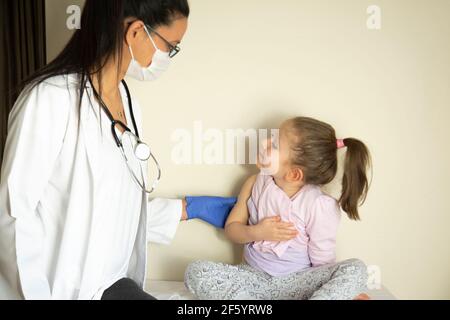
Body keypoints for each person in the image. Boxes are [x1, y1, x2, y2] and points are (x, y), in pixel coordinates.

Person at [0, 0, 235, 300]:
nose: (167, 56)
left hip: (113, 285)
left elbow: (114, 207)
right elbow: (14, 216)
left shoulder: (128, 103)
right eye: (170, 46)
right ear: (136, 31)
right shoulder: (50, 99)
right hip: (59, 291)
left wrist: (188, 209)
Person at [185, 117, 372, 300]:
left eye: (274, 144)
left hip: (297, 282)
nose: (265, 142)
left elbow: (323, 260)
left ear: (294, 174)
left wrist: (340, 291)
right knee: (195, 271)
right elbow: (232, 230)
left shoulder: (318, 204)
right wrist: (256, 232)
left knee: (357, 268)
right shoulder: (254, 183)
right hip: (252, 278)